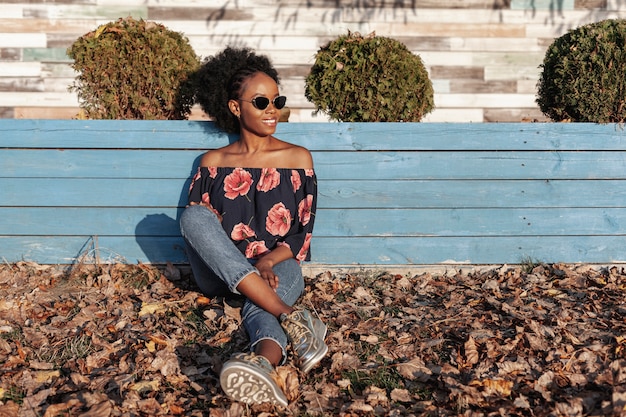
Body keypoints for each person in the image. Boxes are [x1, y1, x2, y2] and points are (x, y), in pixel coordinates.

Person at [179, 46, 328, 407]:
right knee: (192, 216)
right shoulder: (212, 163)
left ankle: (261, 364)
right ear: (235, 107)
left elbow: (301, 232)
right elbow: (204, 230)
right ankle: (294, 318)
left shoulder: (297, 158)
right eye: (261, 102)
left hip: (279, 265)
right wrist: (249, 265)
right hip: (219, 271)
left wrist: (266, 262)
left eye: (277, 100)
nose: (272, 110)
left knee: (259, 305)